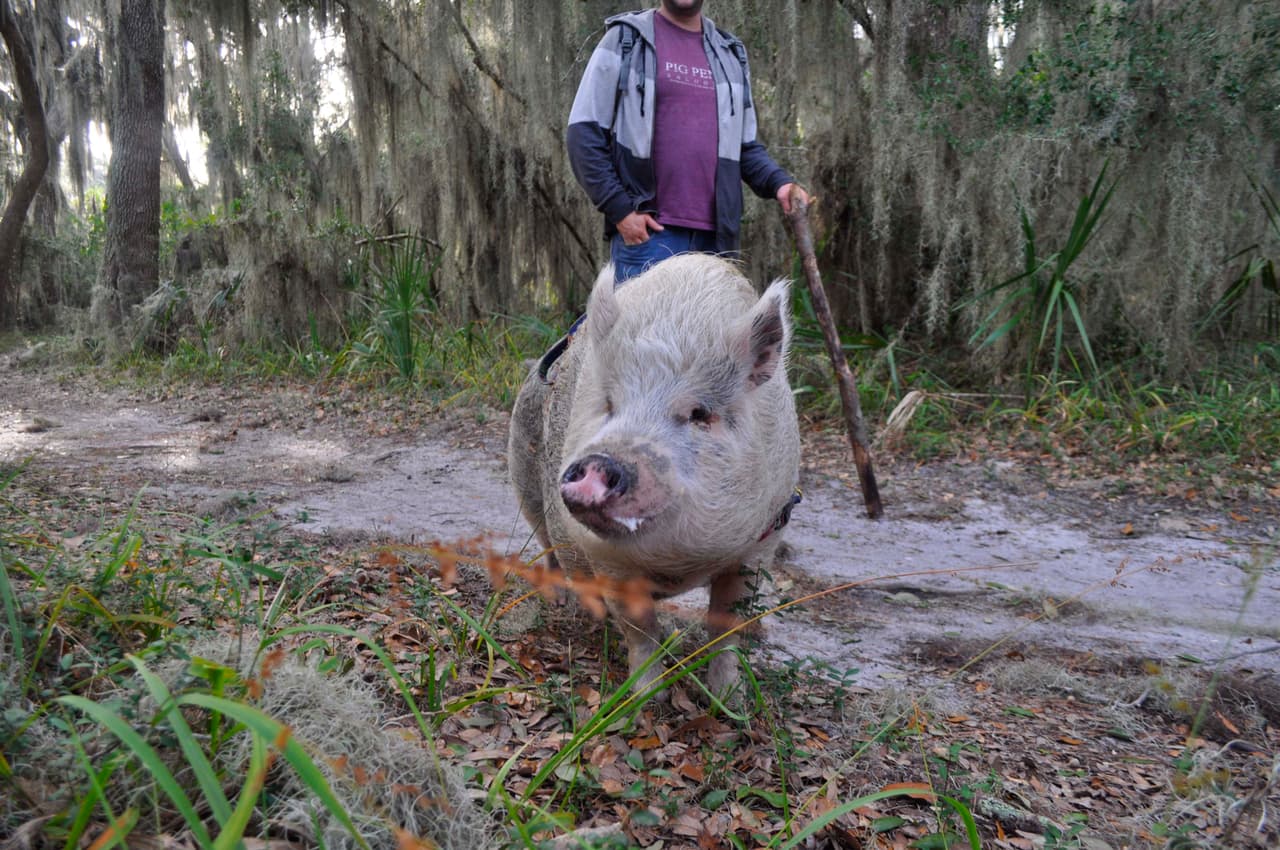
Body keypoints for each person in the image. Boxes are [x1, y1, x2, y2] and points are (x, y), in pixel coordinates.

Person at [566, 0, 808, 284]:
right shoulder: (626, 39)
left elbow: (744, 149)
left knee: (715, 331)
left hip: (717, 243)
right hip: (649, 237)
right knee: (644, 330)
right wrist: (620, 209)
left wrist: (780, 183)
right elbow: (583, 131)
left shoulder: (728, 54)